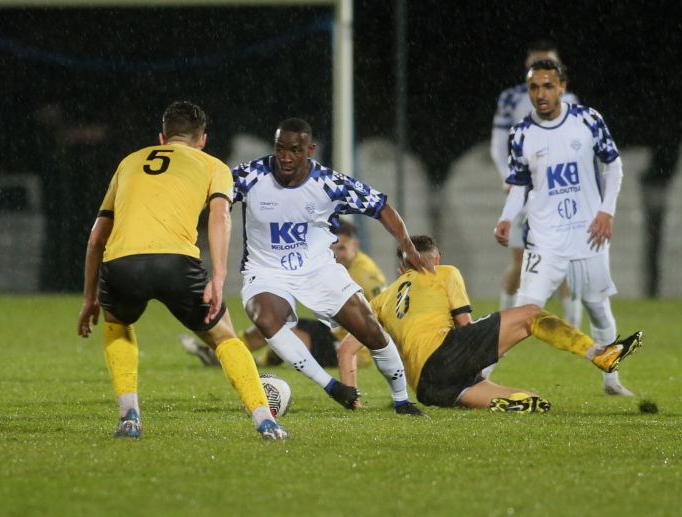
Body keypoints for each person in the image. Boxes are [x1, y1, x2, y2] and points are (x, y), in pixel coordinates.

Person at [76, 101, 287, 440]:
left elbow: (96, 237)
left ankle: (129, 415)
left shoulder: (129, 162)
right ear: (202, 140)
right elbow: (220, 216)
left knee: (117, 323)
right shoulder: (213, 165)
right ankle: (266, 421)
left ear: (162, 137)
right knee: (224, 338)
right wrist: (218, 278)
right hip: (176, 262)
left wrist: (89, 297)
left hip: (121, 263)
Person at [232, 117, 431, 415]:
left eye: (295, 150)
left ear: (309, 150)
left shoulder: (329, 183)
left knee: (370, 330)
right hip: (267, 271)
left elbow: (381, 207)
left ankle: (401, 399)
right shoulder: (250, 176)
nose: (285, 157)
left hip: (318, 270)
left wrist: (407, 245)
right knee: (265, 318)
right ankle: (331, 386)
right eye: (280, 148)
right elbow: (211, 193)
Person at [337, 235, 643, 411]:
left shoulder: (380, 300)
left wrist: (353, 401)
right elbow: (465, 325)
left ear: (400, 267)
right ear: (437, 258)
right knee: (530, 314)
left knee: (535, 403)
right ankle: (599, 354)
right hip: (448, 355)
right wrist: (489, 349)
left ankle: (505, 400)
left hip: (426, 387)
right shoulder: (444, 272)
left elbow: (346, 351)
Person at [493, 59, 634, 396]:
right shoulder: (522, 133)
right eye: (534, 87)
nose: (540, 94)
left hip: (588, 233)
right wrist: (506, 217)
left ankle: (611, 380)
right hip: (543, 238)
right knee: (523, 313)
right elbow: (519, 186)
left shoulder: (587, 120)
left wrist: (606, 212)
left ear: (562, 88)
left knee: (598, 309)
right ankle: (478, 374)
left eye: (547, 86)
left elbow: (613, 166)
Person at [181, 219, 384, 370]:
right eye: (331, 248)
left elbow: (382, 313)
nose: (335, 254)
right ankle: (220, 352)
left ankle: (252, 362)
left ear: (355, 246)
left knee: (284, 334)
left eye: (341, 248)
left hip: (353, 349)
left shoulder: (366, 274)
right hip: (331, 332)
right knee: (270, 322)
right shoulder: (332, 264)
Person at [490, 40, 582, 329]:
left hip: (558, 190)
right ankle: (503, 320)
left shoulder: (572, 101)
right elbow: (498, 143)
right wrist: (509, 176)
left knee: (566, 258)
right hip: (525, 189)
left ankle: (573, 324)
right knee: (521, 261)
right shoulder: (511, 98)